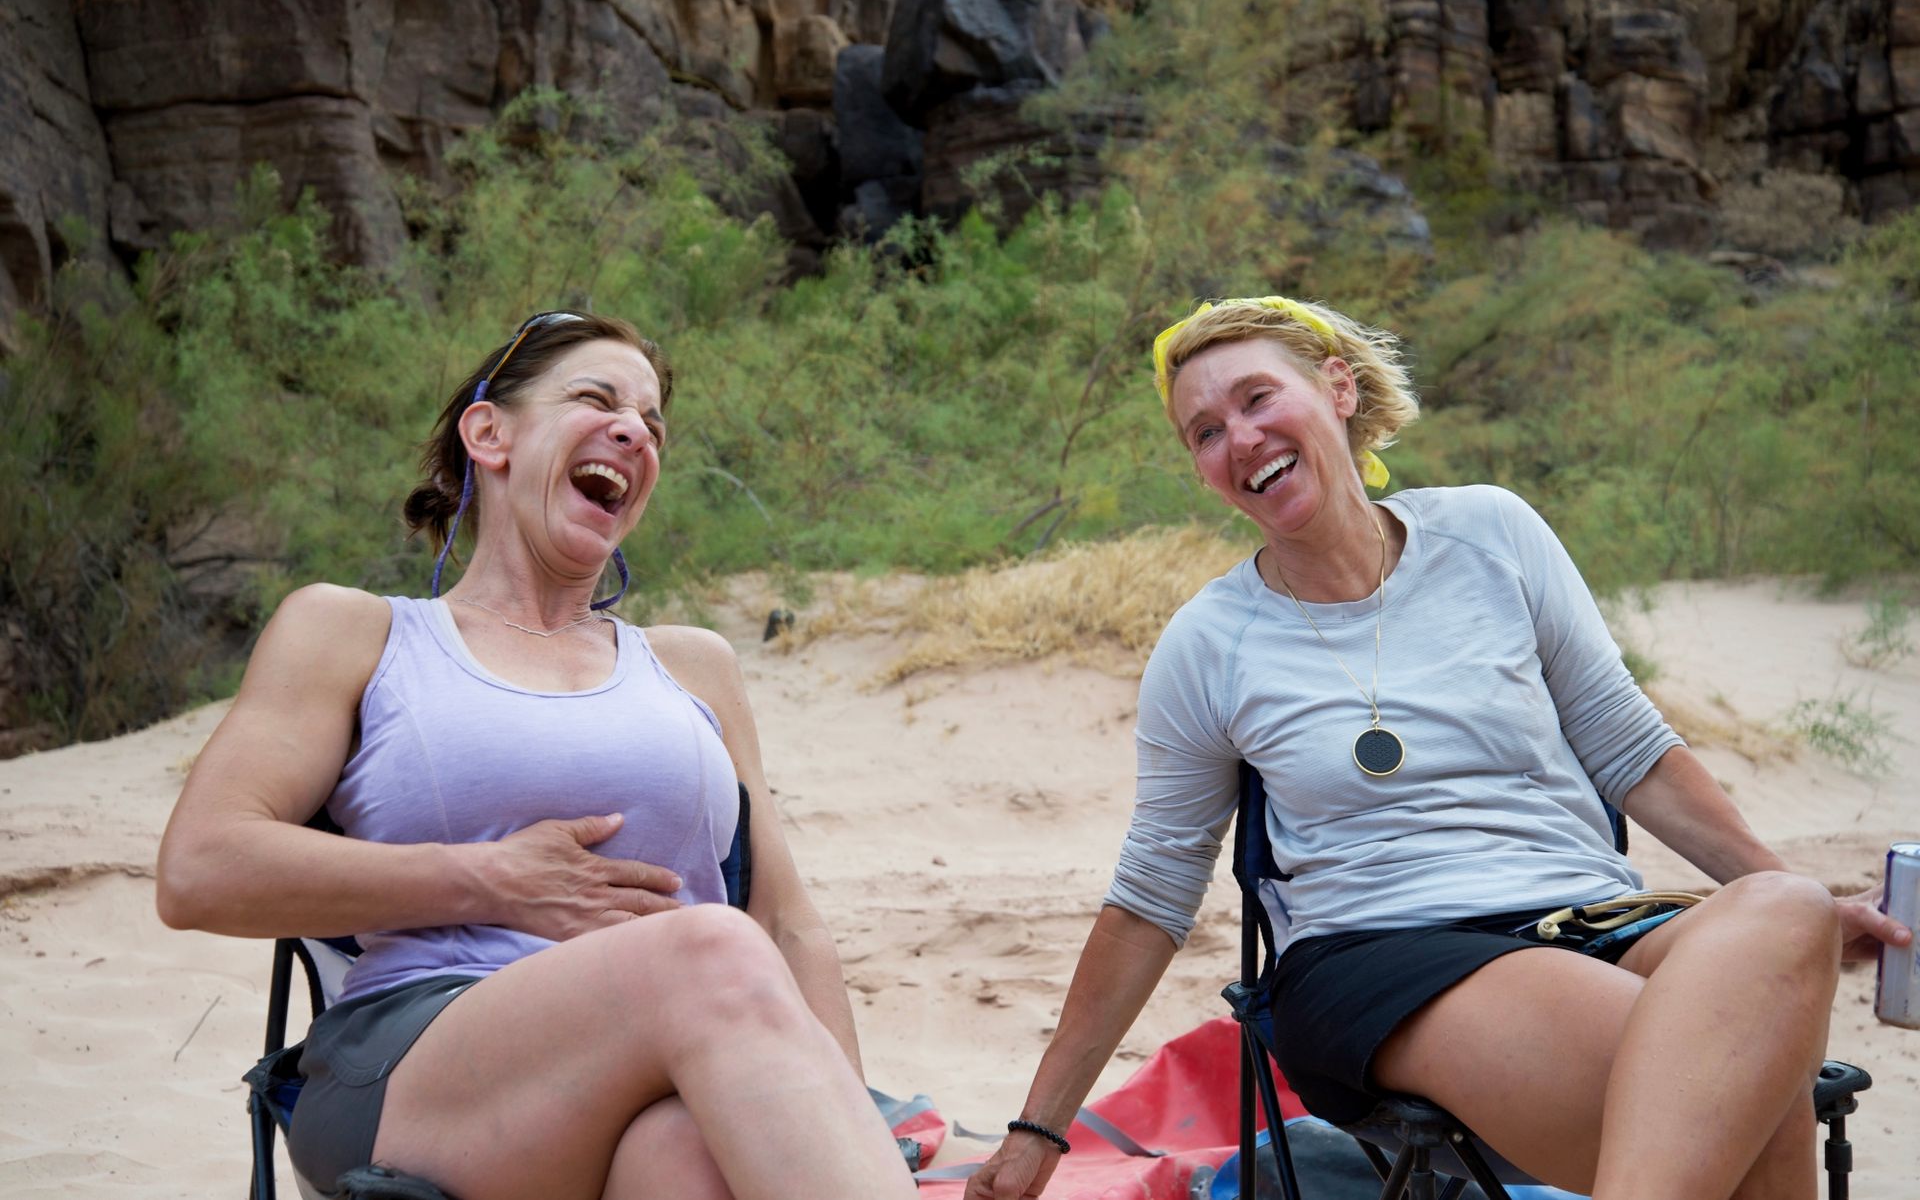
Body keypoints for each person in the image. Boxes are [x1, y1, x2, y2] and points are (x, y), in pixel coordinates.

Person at [963, 296, 1912, 1200]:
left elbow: (1631, 751)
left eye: (1257, 398)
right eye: (1204, 431)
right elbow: (1151, 896)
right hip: (1384, 954)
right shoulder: (1210, 644)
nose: (1239, 439)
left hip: (1594, 918)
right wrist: (1041, 1127)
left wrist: (1820, 916)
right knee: (1741, 1076)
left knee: (1787, 908)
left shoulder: (1492, 533)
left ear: (1339, 388)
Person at [157, 311, 918, 1200]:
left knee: (685, 1156)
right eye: (597, 398)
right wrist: (492, 881)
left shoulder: (696, 666)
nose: (635, 432)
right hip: (417, 1062)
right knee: (710, 948)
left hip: (670, 1074)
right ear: (489, 434)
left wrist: (842, 1117)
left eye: (652, 424)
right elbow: (200, 869)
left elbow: (786, 923)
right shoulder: (356, 633)